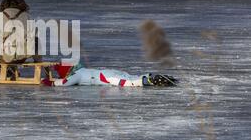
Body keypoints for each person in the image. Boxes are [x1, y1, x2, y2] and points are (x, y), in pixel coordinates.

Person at [41, 63, 178, 87]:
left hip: (105, 77)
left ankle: (148, 81)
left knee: (128, 83)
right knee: (129, 77)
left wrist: (50, 82)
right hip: (107, 72)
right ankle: (151, 76)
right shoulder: (81, 69)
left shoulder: (77, 74)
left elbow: (66, 83)